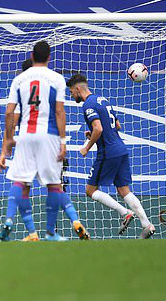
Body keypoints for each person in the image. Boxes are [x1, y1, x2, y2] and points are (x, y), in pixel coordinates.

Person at [0, 41, 89, 242]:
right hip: (48, 135)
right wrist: (63, 142)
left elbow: (9, 113)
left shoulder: (19, 80)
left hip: (26, 134)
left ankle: (10, 220)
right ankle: (52, 231)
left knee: (20, 182)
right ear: (49, 57)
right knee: (54, 185)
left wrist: (7, 143)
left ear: (32, 56)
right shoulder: (56, 79)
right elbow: (59, 111)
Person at [67, 74, 155, 239]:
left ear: (78, 89)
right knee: (124, 190)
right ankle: (146, 224)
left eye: (71, 92)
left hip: (108, 152)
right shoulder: (103, 99)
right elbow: (117, 126)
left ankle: (125, 212)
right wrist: (92, 133)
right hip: (120, 148)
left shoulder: (88, 105)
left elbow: (99, 129)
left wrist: (87, 147)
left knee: (90, 190)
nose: (71, 96)